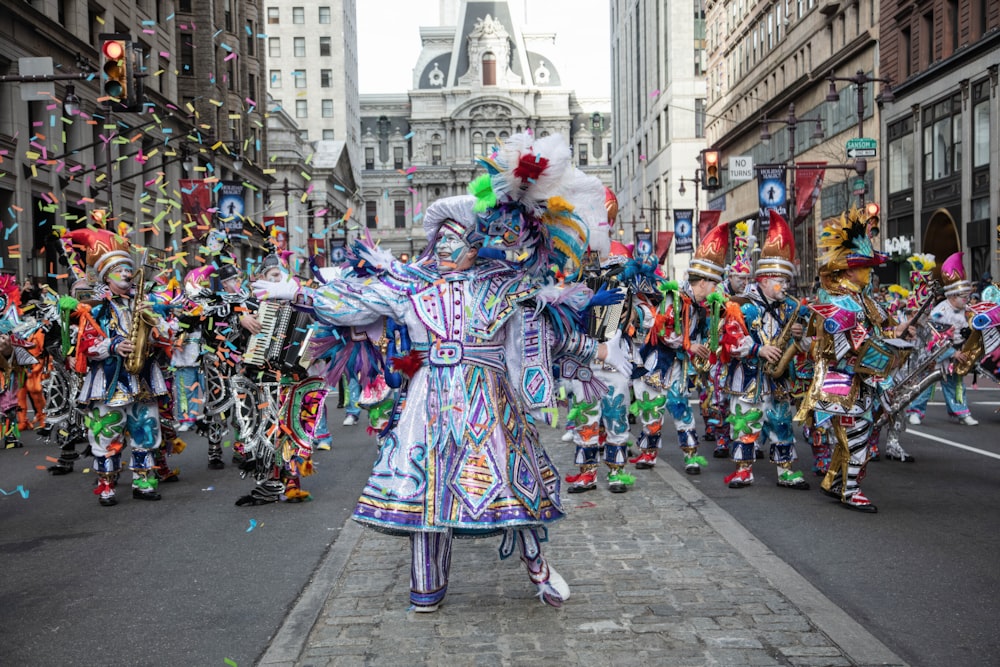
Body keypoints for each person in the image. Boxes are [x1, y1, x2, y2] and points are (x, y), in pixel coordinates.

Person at [255, 133, 626, 611]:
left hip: (486, 398)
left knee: (508, 481)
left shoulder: (504, 288)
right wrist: (298, 294)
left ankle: (538, 567)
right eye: (443, 239)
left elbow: (539, 330)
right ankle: (426, 588)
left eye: (459, 241)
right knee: (425, 488)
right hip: (427, 400)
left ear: (477, 247)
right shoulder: (410, 289)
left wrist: (572, 354)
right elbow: (356, 302)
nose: (448, 248)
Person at [795, 206, 912, 513]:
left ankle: (835, 480)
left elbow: (881, 330)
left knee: (862, 429)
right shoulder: (838, 300)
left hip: (864, 376)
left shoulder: (863, 298)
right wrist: (879, 350)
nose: (870, 272)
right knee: (856, 433)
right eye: (865, 267)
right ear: (849, 270)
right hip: (843, 378)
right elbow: (844, 344)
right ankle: (850, 490)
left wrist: (900, 333)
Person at [68, 228, 173, 506]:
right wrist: (113, 345)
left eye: (128, 269)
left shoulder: (144, 302)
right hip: (109, 379)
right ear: (106, 276)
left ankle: (144, 481)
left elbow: (167, 335)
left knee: (146, 429)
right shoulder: (95, 307)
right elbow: (85, 344)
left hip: (143, 378)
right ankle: (106, 484)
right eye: (119, 271)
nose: (126, 274)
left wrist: (157, 325)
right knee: (106, 432)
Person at [718, 211, 810, 490]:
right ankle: (743, 470)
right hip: (748, 378)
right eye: (781, 279)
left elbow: (806, 345)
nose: (787, 285)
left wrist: (801, 336)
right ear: (765, 279)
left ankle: (785, 471)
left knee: (782, 424)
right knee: (745, 422)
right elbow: (731, 341)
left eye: (787, 279)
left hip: (778, 380)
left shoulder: (791, 308)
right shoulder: (742, 305)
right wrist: (758, 350)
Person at [629, 222, 726, 475]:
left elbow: (703, 335)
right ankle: (648, 454)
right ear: (702, 282)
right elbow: (663, 331)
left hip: (679, 366)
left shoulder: (701, 307)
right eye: (714, 284)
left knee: (682, 407)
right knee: (651, 407)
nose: (716, 290)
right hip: (656, 362)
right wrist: (689, 344)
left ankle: (691, 457)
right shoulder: (673, 297)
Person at [907, 252, 979, 426]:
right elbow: (932, 336)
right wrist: (952, 352)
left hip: (956, 354)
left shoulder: (968, 311)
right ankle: (916, 411)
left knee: (955, 384)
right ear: (952, 296)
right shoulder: (940, 312)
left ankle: (961, 412)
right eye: (964, 297)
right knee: (926, 384)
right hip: (935, 354)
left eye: (967, 296)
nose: (967, 299)